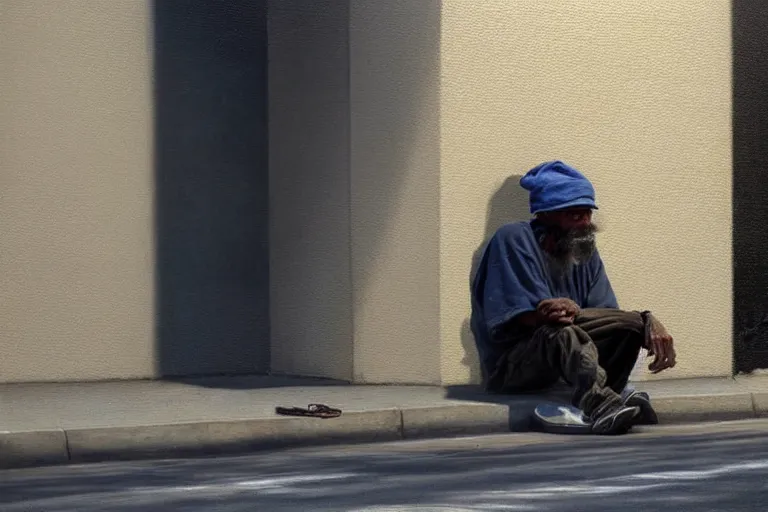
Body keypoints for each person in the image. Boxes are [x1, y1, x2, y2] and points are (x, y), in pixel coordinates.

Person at [470, 160, 676, 435]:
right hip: (515, 367)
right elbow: (516, 321)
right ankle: (601, 405)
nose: (584, 223)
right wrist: (542, 313)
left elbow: (605, 317)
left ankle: (615, 392)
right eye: (574, 215)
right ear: (546, 215)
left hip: (569, 354)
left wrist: (645, 321)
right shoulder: (513, 238)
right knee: (560, 332)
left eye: (587, 213)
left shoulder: (584, 249)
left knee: (629, 328)